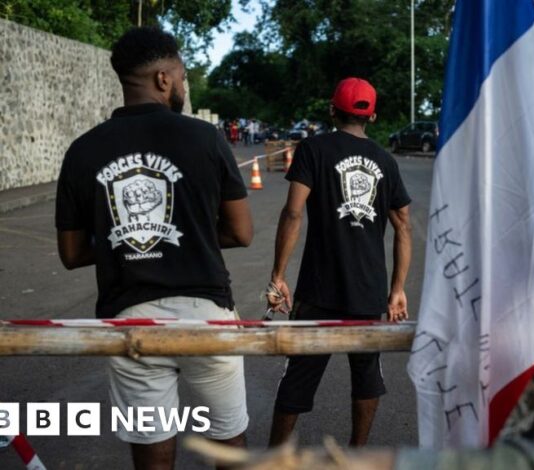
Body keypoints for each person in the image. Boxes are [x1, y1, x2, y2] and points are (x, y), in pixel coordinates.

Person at [55, 26, 253, 469]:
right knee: (228, 444)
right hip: (207, 316)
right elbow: (241, 232)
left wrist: (121, 242)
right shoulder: (205, 138)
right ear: (164, 79)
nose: (183, 85)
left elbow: (71, 253)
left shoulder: (82, 151)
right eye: (181, 76)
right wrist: (188, 232)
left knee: (152, 455)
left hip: (130, 321)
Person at [266, 77, 412, 447]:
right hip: (369, 291)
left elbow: (293, 213)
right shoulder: (385, 160)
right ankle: (357, 454)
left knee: (299, 375)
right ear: (373, 116)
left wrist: (278, 275)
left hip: (319, 288)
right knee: (366, 374)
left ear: (332, 109)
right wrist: (396, 290)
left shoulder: (313, 149)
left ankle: (275, 456)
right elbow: (403, 226)